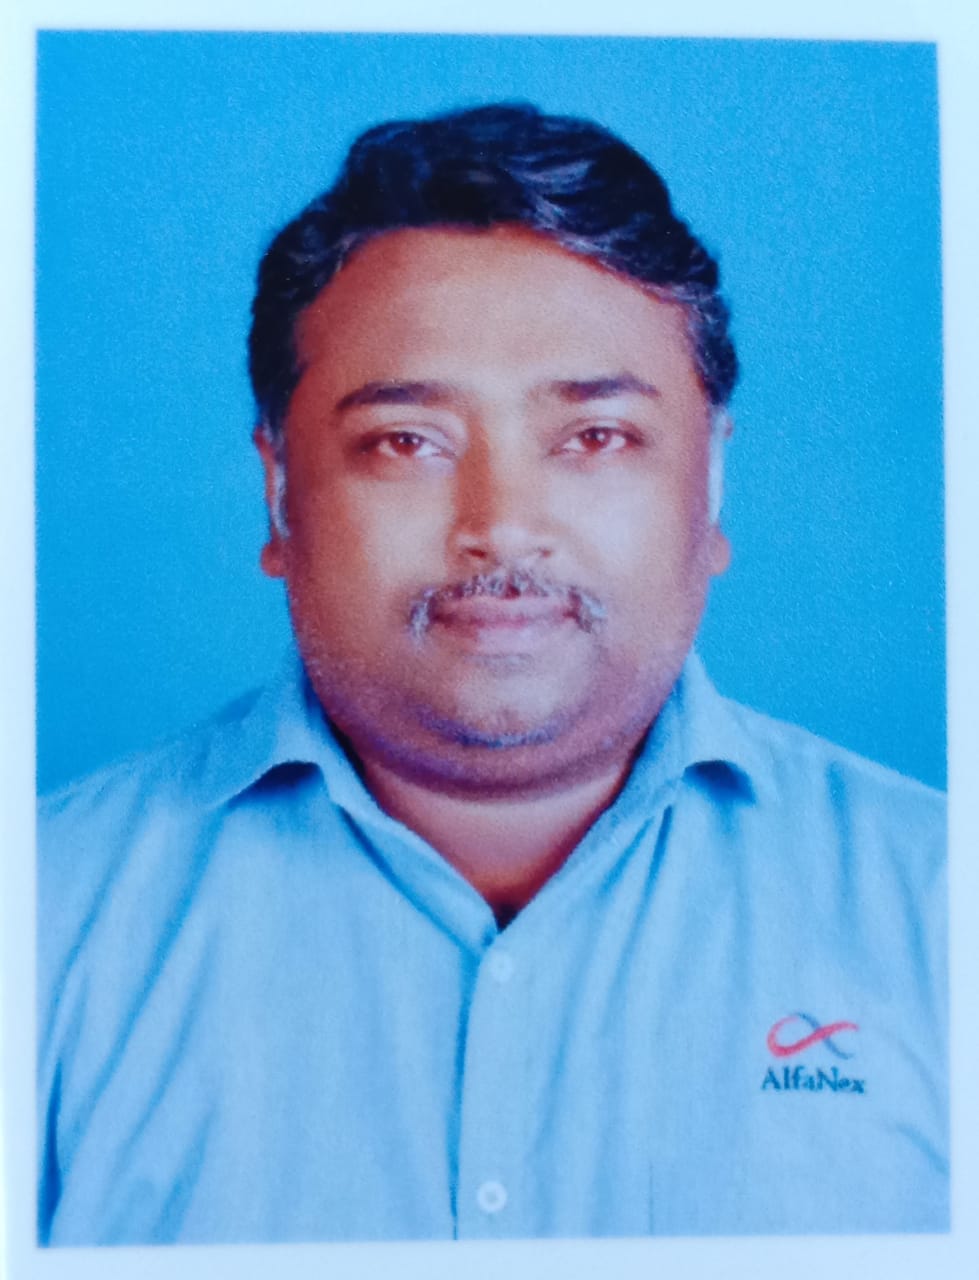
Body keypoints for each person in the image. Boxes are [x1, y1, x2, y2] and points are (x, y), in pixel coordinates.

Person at [37, 103, 947, 1246]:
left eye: (594, 436)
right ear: (278, 491)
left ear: (710, 484)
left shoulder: (935, 907)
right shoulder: (47, 920)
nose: (503, 526)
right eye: (406, 442)